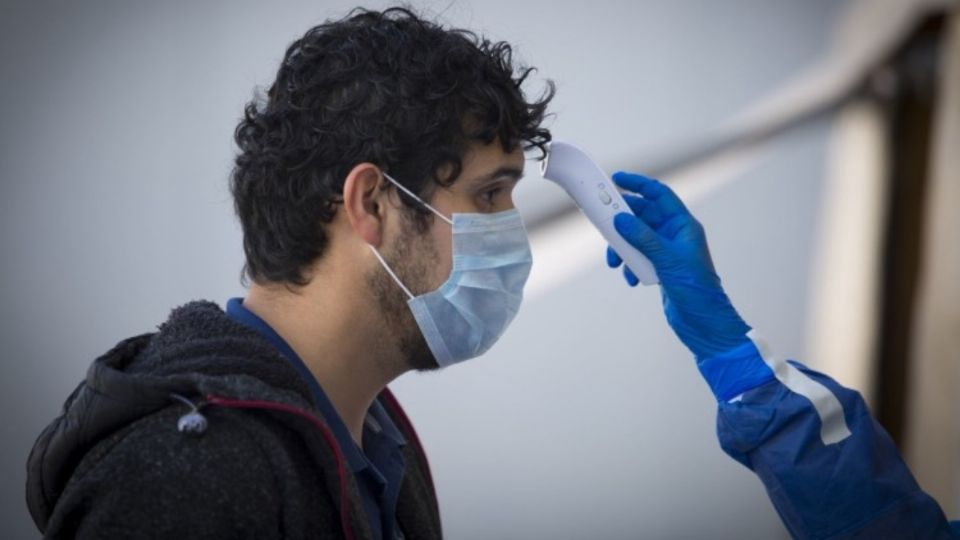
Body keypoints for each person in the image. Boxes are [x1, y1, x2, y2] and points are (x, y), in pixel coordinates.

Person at [24, 6, 959, 540]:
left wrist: (737, 363)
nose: (513, 233)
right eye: (491, 195)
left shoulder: (374, 442)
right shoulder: (184, 478)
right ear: (371, 204)